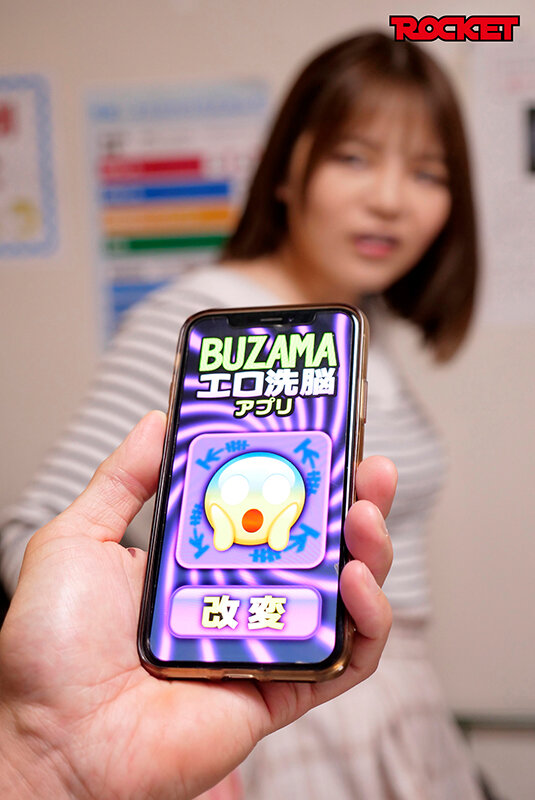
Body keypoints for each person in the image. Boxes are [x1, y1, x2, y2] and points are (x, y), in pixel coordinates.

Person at [1, 31, 482, 799]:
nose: (391, 199)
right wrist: (155, 652)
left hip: (390, 705)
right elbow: (37, 533)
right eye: (354, 157)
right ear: (286, 168)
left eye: (427, 172)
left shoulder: (361, 330)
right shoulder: (200, 314)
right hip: (262, 725)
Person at [0, 410, 394, 800]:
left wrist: (51, 766)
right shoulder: (191, 376)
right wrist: (49, 756)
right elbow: (31, 524)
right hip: (275, 722)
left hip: (351, 672)